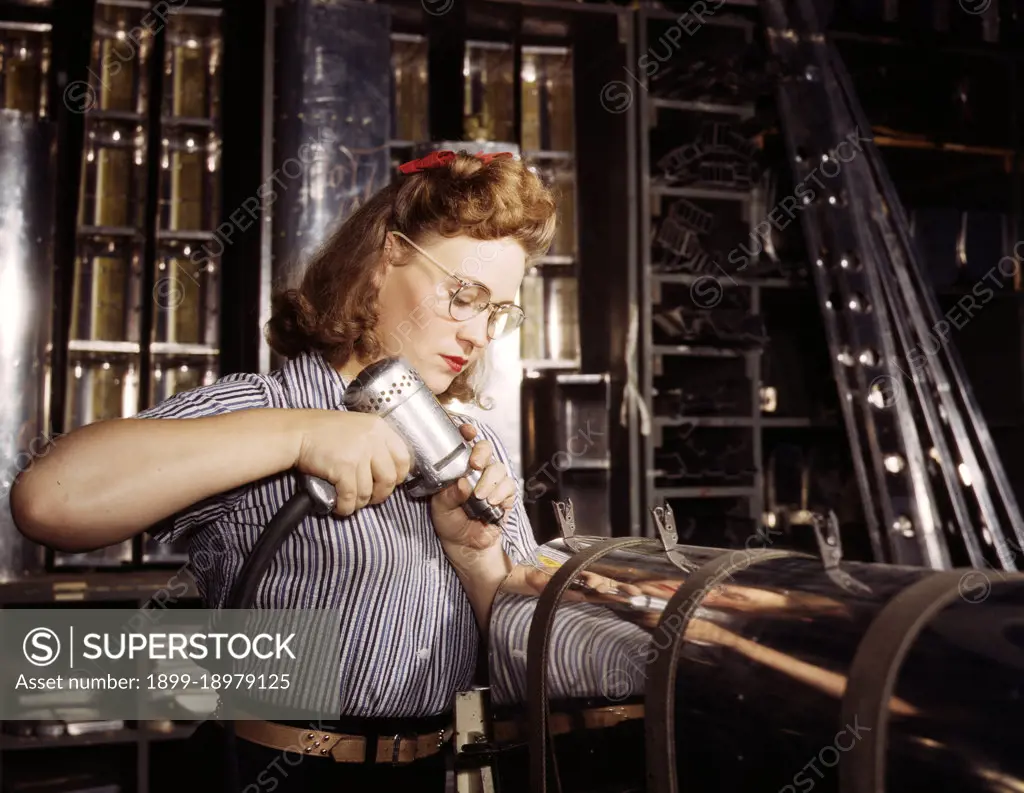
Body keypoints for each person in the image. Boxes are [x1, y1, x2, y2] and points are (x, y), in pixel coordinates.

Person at [11, 149, 558, 792]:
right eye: (464, 295)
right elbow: (48, 499)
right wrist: (299, 435)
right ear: (386, 259)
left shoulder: (475, 446)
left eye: (499, 311)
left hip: (428, 774)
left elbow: (530, 670)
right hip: (273, 772)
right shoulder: (267, 406)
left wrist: (479, 561)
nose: (479, 334)